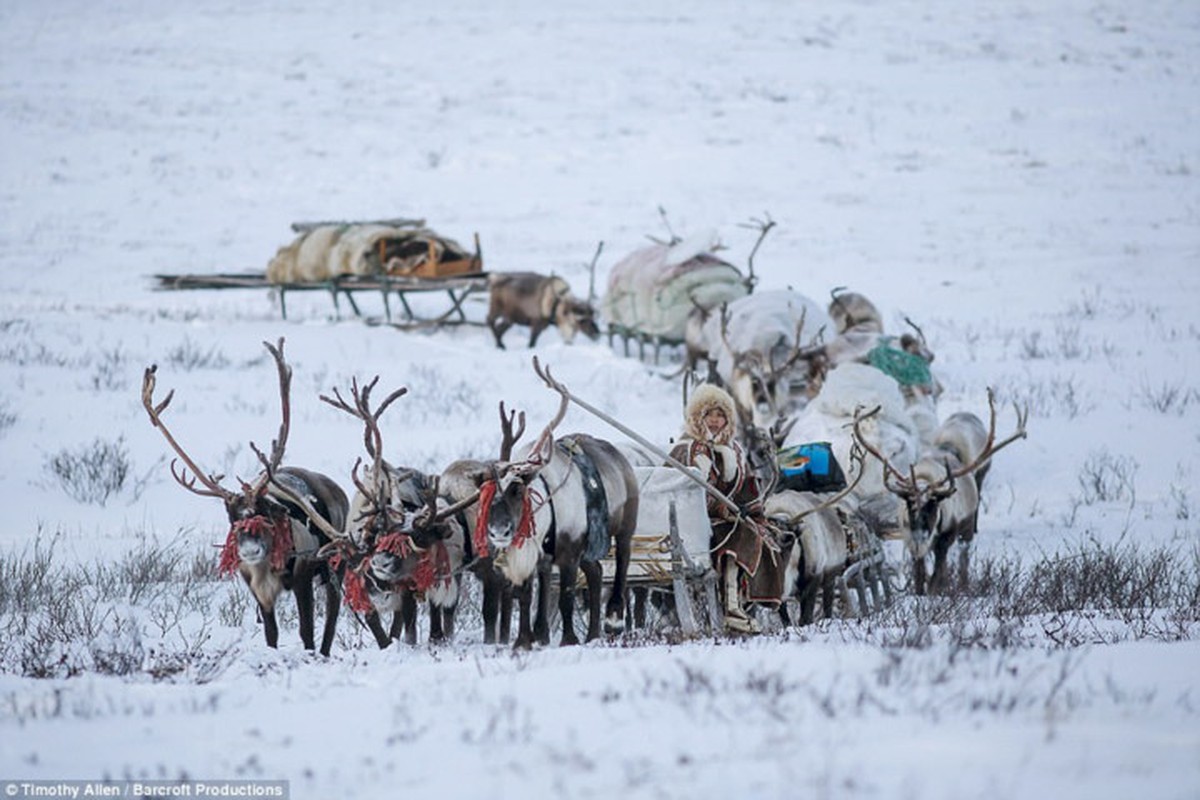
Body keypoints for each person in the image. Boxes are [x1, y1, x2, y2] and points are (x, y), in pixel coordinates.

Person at [669, 383, 785, 633]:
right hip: (693, 524)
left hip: (726, 520)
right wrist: (720, 508)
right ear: (697, 417)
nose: (714, 420)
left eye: (720, 415)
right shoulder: (684, 449)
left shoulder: (734, 451)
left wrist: (752, 512)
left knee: (764, 535)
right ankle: (731, 608)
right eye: (708, 414)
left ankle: (741, 602)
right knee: (740, 534)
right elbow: (681, 493)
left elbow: (746, 488)